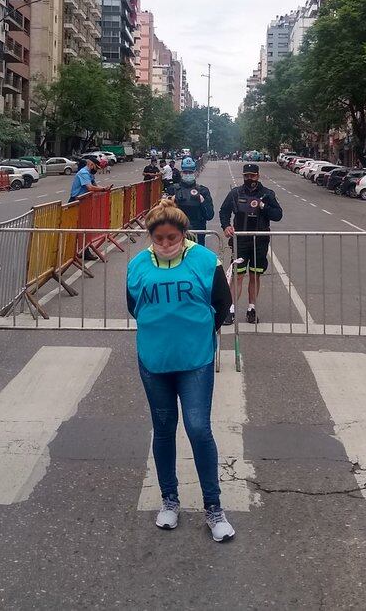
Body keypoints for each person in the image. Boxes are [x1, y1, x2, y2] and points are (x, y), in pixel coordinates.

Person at [126, 197, 235, 541]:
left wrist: (199, 331)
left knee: (199, 428)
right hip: (154, 360)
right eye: (159, 239)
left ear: (184, 234)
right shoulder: (138, 265)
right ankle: (169, 501)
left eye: (172, 238)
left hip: (196, 361)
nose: (166, 244)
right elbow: (134, 307)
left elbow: (222, 304)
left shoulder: (205, 260)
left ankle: (213, 508)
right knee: (163, 428)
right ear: (151, 238)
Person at [219, 162, 283, 324]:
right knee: (237, 276)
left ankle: (251, 309)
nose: (249, 179)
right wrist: (226, 226)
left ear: (258, 175)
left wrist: (263, 206)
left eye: (252, 176)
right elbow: (224, 211)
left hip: (260, 241)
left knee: (255, 275)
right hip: (240, 241)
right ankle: (231, 310)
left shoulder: (268, 194)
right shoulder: (235, 193)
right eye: (246, 176)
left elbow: (277, 215)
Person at [168, 157, 215, 246]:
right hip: (177, 231)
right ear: (182, 173)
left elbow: (210, 215)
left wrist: (202, 201)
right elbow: (164, 214)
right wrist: (171, 202)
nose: (188, 174)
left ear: (195, 172)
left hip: (198, 232)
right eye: (186, 172)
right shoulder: (173, 189)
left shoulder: (203, 191)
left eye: (190, 172)